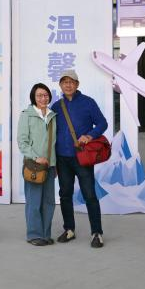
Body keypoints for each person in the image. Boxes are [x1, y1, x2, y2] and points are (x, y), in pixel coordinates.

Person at [52, 69, 108, 248]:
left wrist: (90, 135)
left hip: (82, 157)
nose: (68, 85)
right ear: (60, 85)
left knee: (89, 195)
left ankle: (97, 233)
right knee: (65, 194)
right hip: (62, 158)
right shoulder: (56, 106)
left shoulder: (88, 102)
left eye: (71, 82)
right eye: (64, 82)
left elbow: (102, 123)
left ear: (77, 84)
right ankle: (69, 229)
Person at [17, 83, 56, 246]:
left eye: (46, 95)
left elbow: (54, 143)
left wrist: (55, 164)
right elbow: (22, 141)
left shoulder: (53, 115)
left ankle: (45, 234)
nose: (43, 98)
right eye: (39, 95)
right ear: (33, 97)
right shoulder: (26, 115)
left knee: (49, 202)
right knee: (34, 201)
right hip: (34, 166)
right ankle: (34, 235)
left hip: (50, 166)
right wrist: (35, 157)